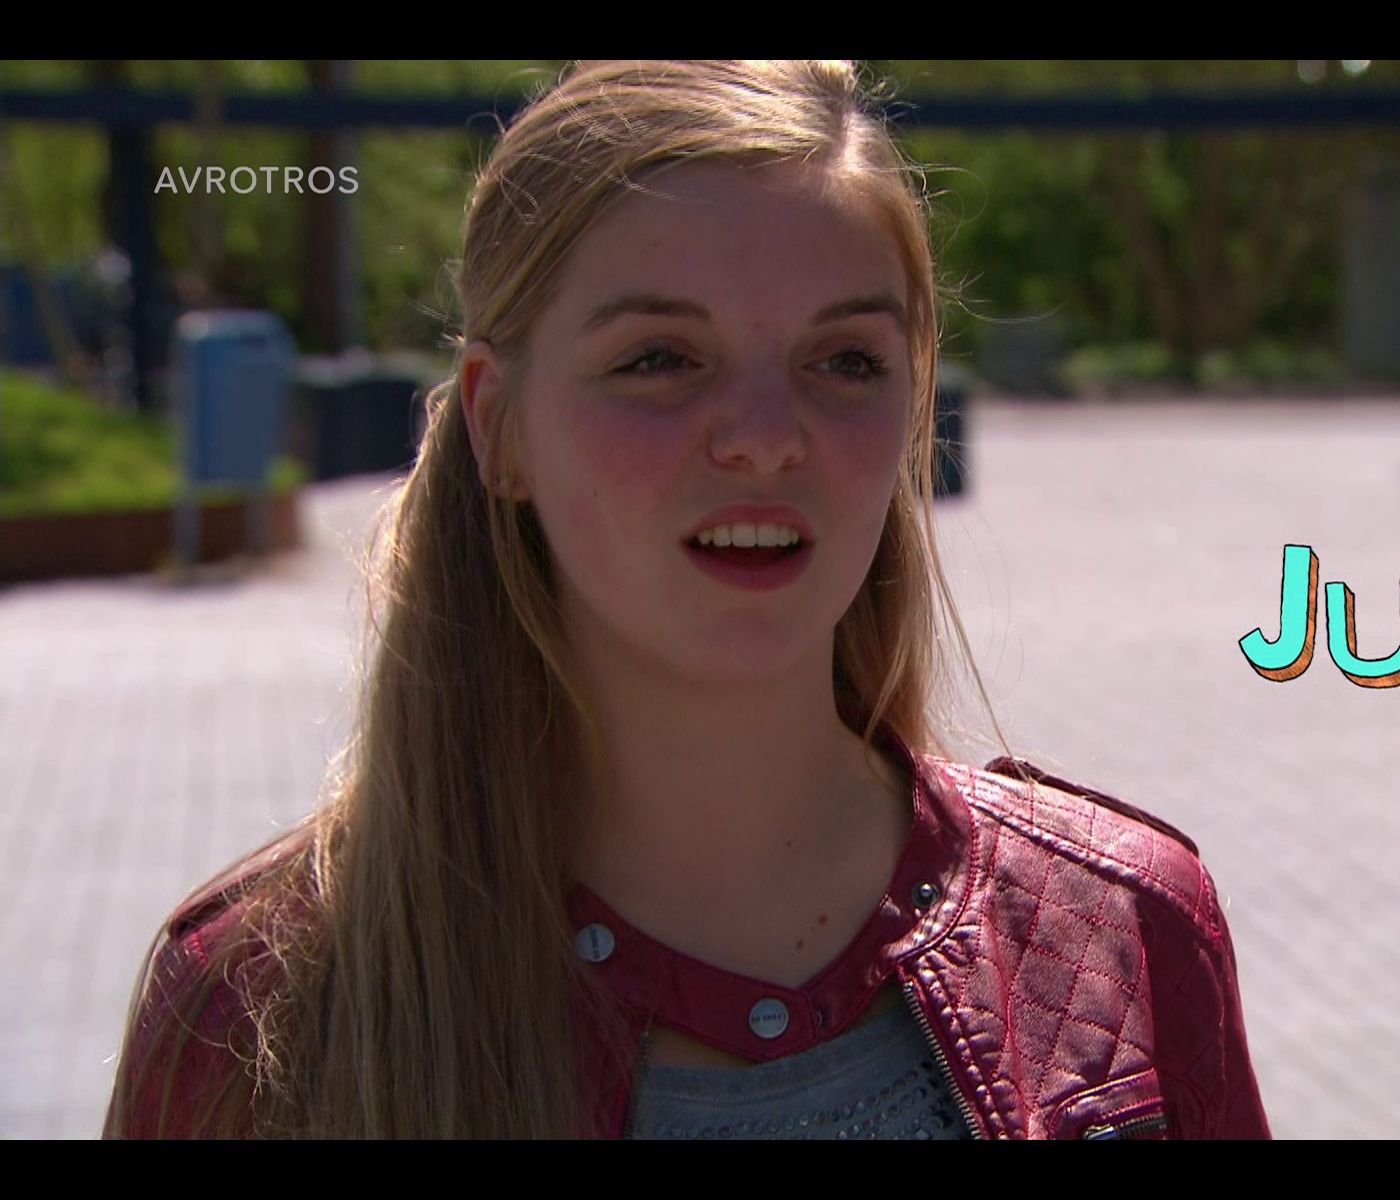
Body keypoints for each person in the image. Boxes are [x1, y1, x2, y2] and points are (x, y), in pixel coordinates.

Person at [101, 59, 1270, 1140]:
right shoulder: (263, 1006)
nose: (765, 438)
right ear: (499, 425)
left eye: (846, 361)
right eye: (659, 358)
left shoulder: (1122, 931)